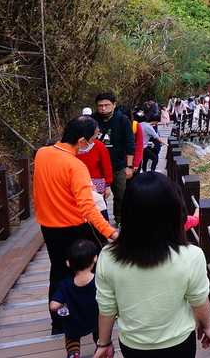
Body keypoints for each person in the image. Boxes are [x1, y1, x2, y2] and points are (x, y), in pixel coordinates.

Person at [92, 172, 210, 357]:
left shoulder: (108, 256)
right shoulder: (191, 256)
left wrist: (104, 343)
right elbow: (198, 301)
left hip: (133, 346)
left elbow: (107, 306)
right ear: (174, 211)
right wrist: (206, 326)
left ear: (127, 211)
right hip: (179, 343)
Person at [33, 116, 117, 335]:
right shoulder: (75, 166)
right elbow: (88, 207)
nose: (93, 143)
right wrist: (110, 232)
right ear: (81, 141)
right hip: (75, 228)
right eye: (93, 139)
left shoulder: (42, 154)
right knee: (92, 269)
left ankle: (58, 323)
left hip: (49, 228)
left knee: (59, 271)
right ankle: (93, 316)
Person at [49, 239, 100, 358]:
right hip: (96, 319)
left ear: (68, 263)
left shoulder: (65, 285)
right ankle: (101, 350)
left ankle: (74, 354)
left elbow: (53, 306)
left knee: (72, 337)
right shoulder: (99, 281)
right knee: (100, 334)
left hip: (74, 322)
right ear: (95, 259)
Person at [91, 93, 135, 226]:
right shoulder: (92, 120)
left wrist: (129, 166)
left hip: (117, 164)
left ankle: (120, 220)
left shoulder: (122, 120)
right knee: (98, 196)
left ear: (114, 105)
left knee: (121, 194)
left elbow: (129, 143)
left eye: (107, 105)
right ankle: (100, 222)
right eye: (100, 106)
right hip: (96, 167)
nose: (103, 109)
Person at [76, 128, 113, 222]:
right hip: (77, 185)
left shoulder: (99, 145)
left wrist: (108, 184)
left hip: (96, 183)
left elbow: (106, 165)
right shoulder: (72, 148)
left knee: (100, 214)